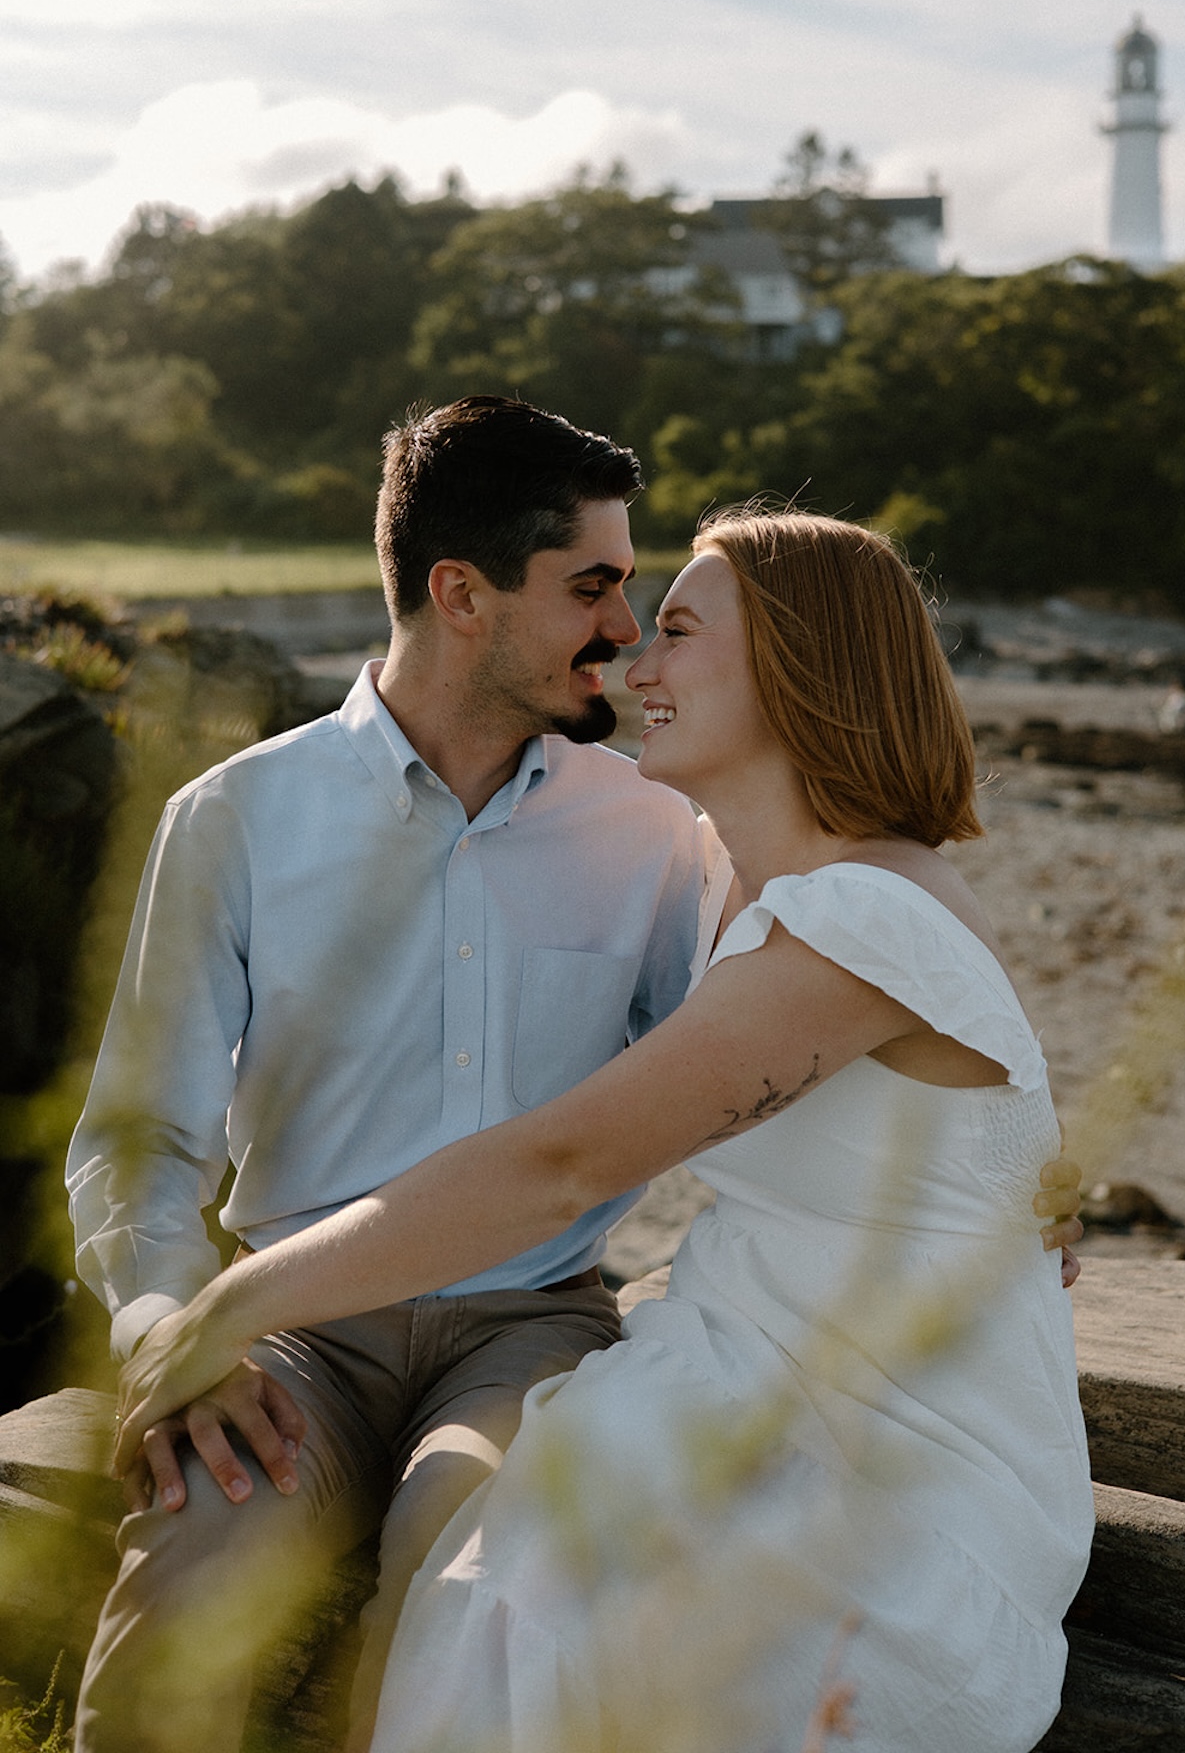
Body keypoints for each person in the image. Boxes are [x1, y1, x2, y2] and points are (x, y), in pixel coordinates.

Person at [115, 507, 1096, 1753]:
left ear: (796, 665)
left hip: (881, 1443)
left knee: (525, 1581)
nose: (636, 664)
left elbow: (558, 1165)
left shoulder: (861, 913)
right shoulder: (739, 876)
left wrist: (223, 1307)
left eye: (677, 632)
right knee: (511, 1556)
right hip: (749, 1360)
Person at [66, 396, 711, 1753]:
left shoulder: (653, 833)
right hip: (288, 1327)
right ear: (461, 593)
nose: (627, 631)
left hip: (533, 1329)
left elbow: (755, 1072)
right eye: (593, 588)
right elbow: (141, 1138)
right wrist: (163, 1331)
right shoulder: (237, 819)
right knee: (194, 1566)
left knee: (462, 1546)